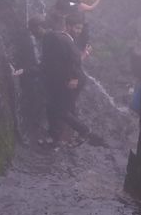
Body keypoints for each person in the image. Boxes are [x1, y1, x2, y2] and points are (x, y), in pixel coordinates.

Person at [39, 11, 99, 146]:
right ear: (68, 26)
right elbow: (73, 60)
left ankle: (83, 131)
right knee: (55, 107)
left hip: (74, 81)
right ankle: (56, 137)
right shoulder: (64, 39)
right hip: (67, 79)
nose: (78, 31)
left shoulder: (66, 40)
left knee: (60, 109)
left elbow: (75, 61)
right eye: (76, 28)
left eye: (80, 29)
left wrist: (74, 78)